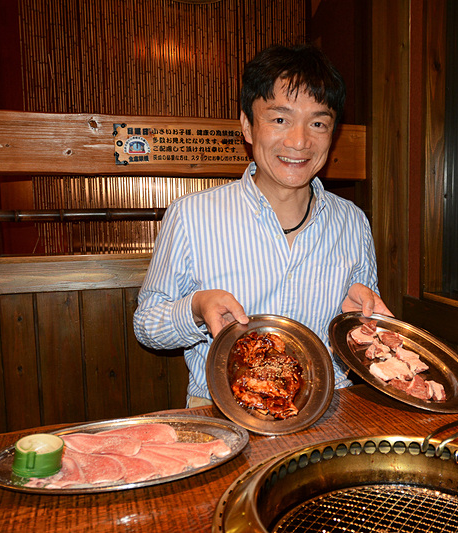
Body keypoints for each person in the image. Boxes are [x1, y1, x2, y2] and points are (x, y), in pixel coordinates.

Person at [133, 43, 391, 407]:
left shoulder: (353, 222)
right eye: (280, 119)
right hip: (224, 410)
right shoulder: (190, 216)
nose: (299, 141)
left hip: (330, 408)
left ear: (333, 133)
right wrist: (196, 308)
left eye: (318, 123)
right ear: (248, 127)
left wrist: (359, 325)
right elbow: (147, 326)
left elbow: (367, 337)